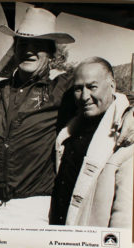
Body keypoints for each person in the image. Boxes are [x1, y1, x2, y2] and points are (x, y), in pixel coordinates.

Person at [0, 6, 134, 224]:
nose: (28, 50)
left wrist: (129, 110)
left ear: (51, 53)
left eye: (38, 45)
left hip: (30, 207)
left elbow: (105, 93)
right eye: (22, 44)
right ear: (15, 49)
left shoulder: (63, 89)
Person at [49, 57, 133, 227]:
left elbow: (124, 215)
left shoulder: (126, 135)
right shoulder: (70, 130)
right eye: (78, 89)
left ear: (112, 85)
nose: (85, 97)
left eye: (92, 87)